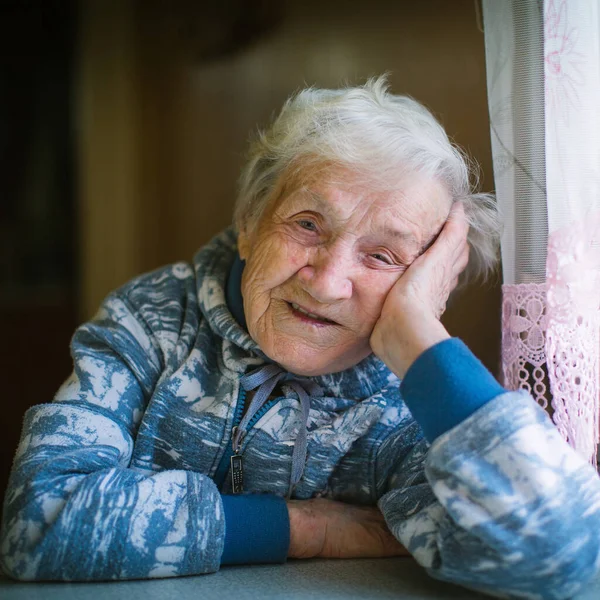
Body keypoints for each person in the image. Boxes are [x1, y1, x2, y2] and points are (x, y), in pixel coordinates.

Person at [1, 77, 599, 599]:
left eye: (384, 255)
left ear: (427, 281)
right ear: (249, 221)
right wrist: (308, 529)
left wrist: (421, 342)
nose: (329, 281)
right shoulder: (151, 321)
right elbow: (38, 523)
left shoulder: (401, 398)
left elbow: (570, 558)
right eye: (309, 224)